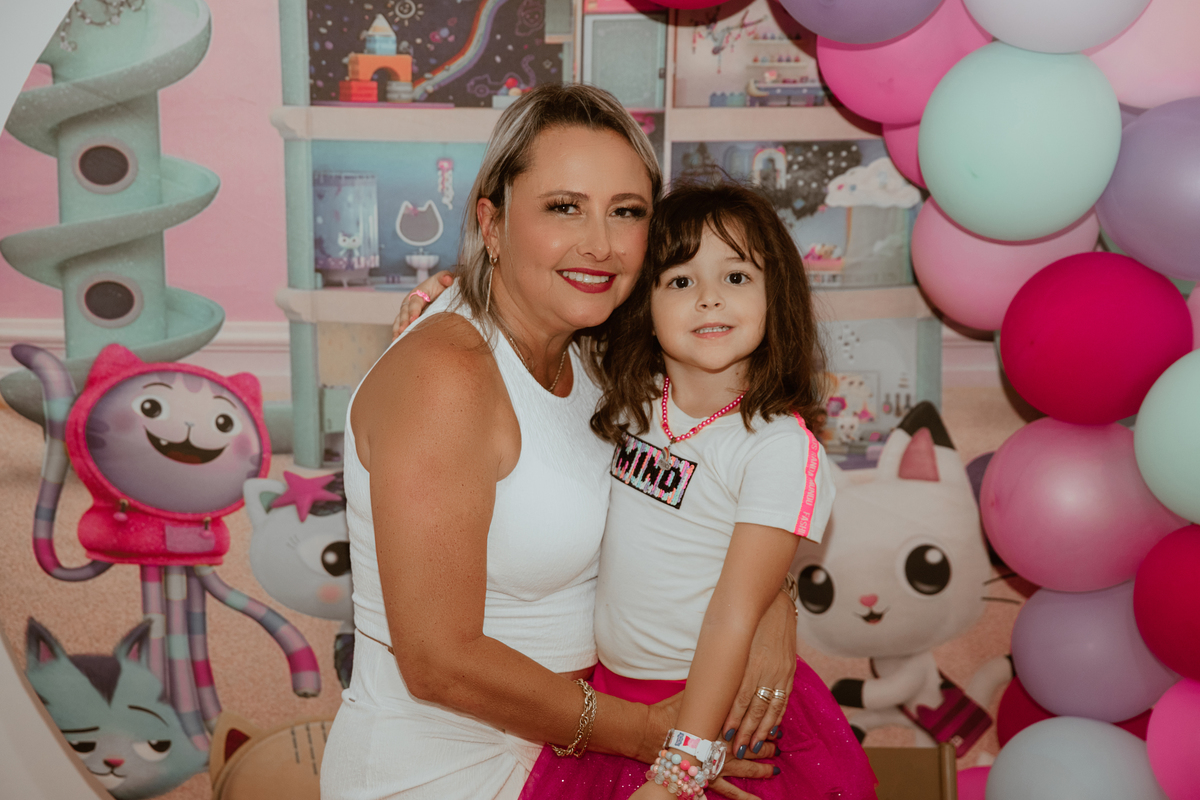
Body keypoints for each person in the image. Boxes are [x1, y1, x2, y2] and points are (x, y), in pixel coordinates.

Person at [321, 84, 800, 800]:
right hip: (444, 772)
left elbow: (722, 483)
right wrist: (653, 735)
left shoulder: (600, 358)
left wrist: (772, 602)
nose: (600, 243)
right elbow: (438, 661)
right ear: (492, 222)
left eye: (626, 211)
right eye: (564, 207)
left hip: (575, 759)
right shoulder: (447, 373)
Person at [516, 183, 878, 800]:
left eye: (736, 277)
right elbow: (528, 309)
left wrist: (681, 767)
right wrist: (439, 293)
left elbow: (736, 611)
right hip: (615, 704)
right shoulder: (627, 399)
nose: (709, 297)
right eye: (680, 281)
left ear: (775, 295)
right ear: (645, 302)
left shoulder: (777, 446)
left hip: (715, 716)